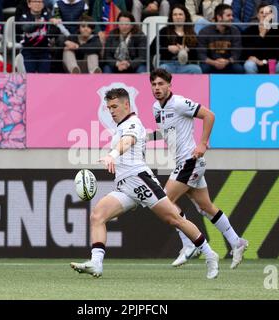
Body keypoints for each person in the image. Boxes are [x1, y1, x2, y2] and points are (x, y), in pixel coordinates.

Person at [70, 88, 219, 279]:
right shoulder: (121, 126)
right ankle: (96, 263)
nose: (112, 111)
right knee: (97, 216)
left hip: (139, 180)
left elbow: (128, 141)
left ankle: (209, 254)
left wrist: (112, 155)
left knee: (174, 219)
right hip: (125, 186)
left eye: (115, 106)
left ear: (127, 104)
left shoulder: (132, 123)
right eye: (108, 108)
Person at [148, 68, 249, 269]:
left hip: (190, 161)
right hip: (183, 163)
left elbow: (209, 115)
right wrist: (143, 139)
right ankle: (237, 242)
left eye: (161, 84)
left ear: (170, 85)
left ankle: (189, 244)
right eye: (154, 84)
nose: (157, 88)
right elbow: (166, 132)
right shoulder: (156, 108)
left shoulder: (179, 103)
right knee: (205, 207)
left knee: (165, 201)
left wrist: (202, 143)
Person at [154, 4, 202, 74]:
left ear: (185, 17)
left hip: (186, 65)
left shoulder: (192, 33)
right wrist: (168, 48)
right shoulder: (164, 31)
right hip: (168, 65)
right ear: (171, 17)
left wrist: (187, 50)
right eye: (175, 15)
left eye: (180, 14)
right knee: (163, 68)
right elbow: (152, 48)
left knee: (197, 69)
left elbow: (198, 53)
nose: (178, 17)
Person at [242, 3, 279, 74]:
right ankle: (253, 85)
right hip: (257, 65)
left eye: (267, 13)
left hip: (274, 65)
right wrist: (261, 35)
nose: (264, 15)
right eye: (261, 13)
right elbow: (247, 53)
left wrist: (265, 62)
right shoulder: (249, 30)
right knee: (249, 65)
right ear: (257, 15)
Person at [16, 0, 62, 73]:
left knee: (44, 76)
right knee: (30, 76)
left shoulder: (47, 16)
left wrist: (54, 24)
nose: (38, 4)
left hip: (44, 51)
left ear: (43, 4)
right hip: (28, 51)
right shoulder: (24, 16)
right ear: (29, 4)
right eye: (35, 1)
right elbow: (25, 28)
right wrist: (37, 24)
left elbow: (56, 31)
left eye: (40, 2)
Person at [197, 3, 244, 73]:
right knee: (203, 68)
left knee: (239, 69)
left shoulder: (235, 31)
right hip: (210, 64)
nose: (232, 18)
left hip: (228, 64)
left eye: (232, 15)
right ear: (219, 17)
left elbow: (237, 53)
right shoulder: (205, 31)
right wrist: (213, 62)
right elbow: (201, 54)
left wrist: (227, 61)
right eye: (228, 16)